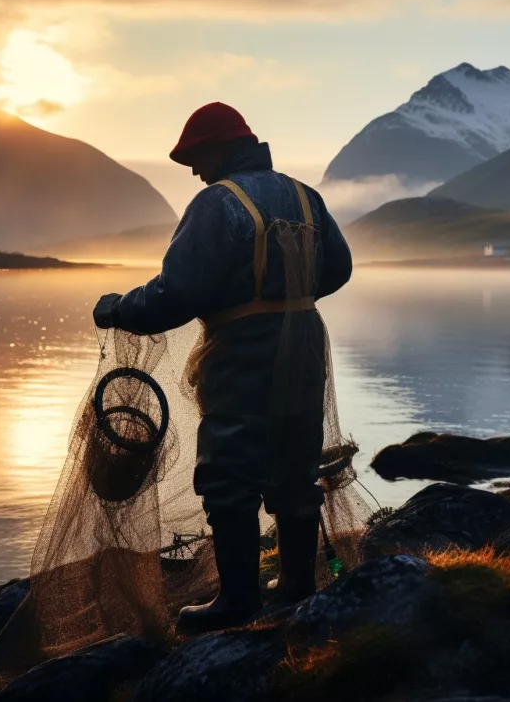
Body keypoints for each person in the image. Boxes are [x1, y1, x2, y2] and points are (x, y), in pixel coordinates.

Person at [92, 102, 353, 632]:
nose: (192, 169)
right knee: (296, 460)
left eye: (195, 156)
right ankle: (298, 584)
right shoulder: (306, 196)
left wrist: (118, 308)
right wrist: (289, 295)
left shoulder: (219, 203)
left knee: (228, 470)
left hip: (243, 350)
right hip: (304, 344)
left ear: (220, 148)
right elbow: (340, 268)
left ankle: (238, 599)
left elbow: (176, 293)